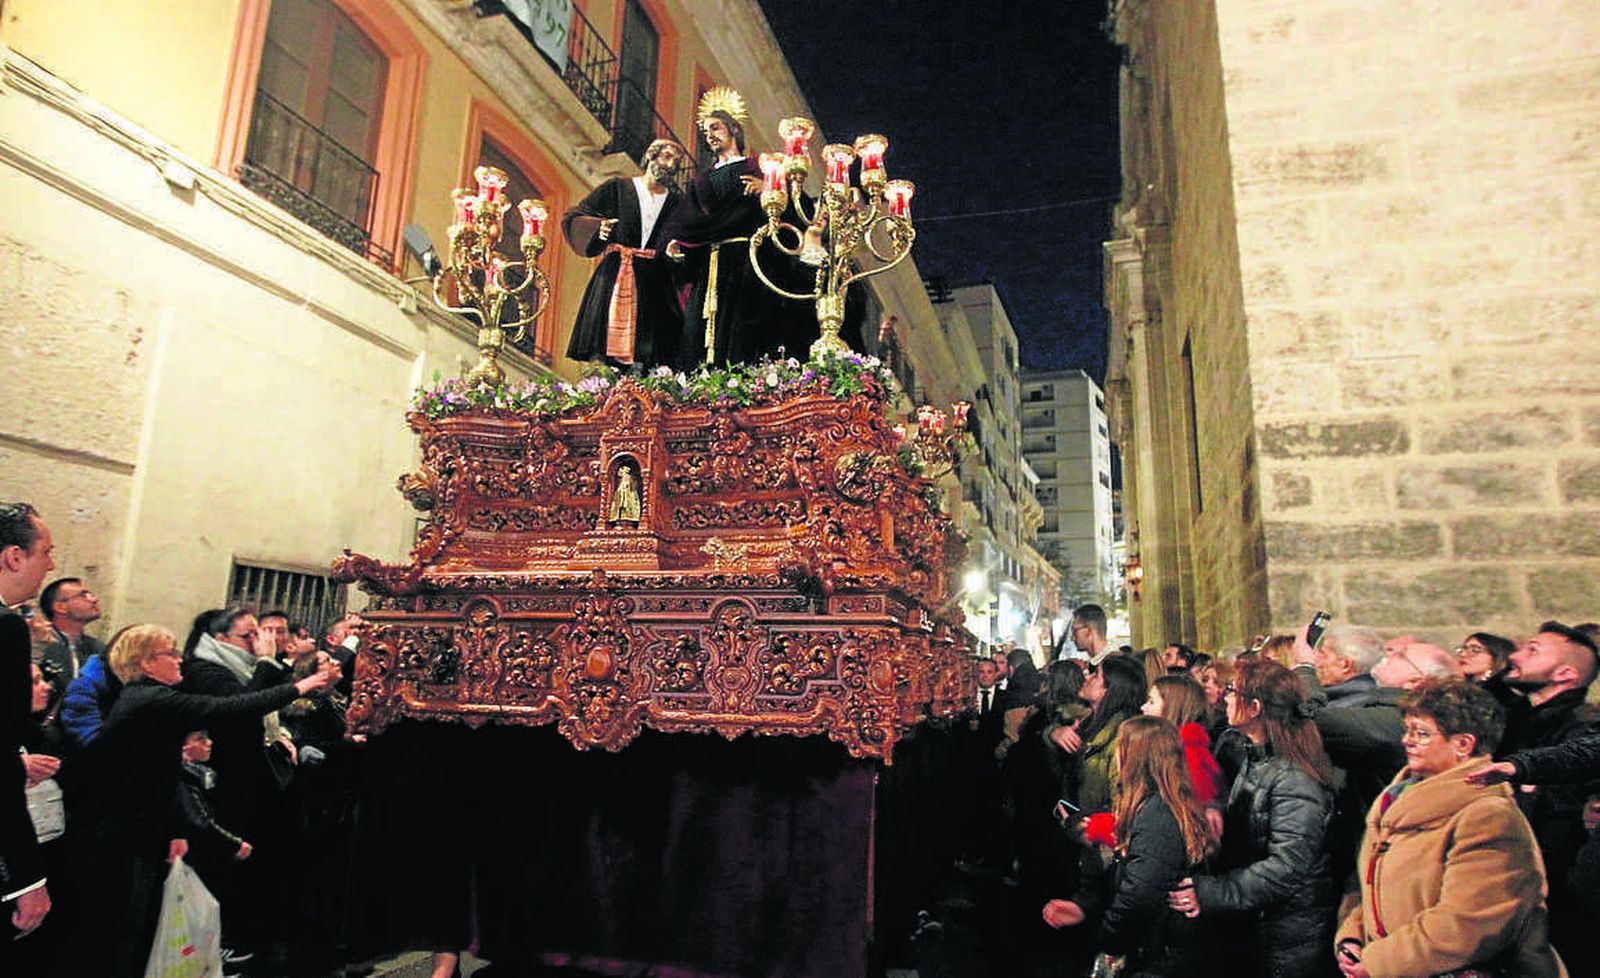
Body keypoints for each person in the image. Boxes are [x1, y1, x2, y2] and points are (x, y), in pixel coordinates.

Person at [62, 624, 337, 976]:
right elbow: (230, 708)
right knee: (115, 938)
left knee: (133, 934)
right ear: (145, 663)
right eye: (170, 653)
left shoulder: (150, 698)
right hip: (116, 836)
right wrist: (300, 684)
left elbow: (162, 776)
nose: (180, 660)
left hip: (136, 831)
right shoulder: (150, 699)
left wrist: (176, 830)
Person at [1334, 680, 1565, 977]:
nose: (1407, 740)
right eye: (1407, 730)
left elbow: (1469, 923)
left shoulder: (1487, 814)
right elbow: (1370, 886)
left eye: (1421, 733)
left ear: (1463, 745)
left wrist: (1381, 962)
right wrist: (1353, 937)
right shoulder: (1394, 801)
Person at [1168, 659, 1338, 978]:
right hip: (1261, 923)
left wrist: (1211, 892)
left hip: (1289, 936)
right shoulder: (1255, 757)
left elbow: (1285, 867)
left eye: (1232, 690)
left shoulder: (1294, 778)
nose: (1225, 697)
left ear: (1255, 706)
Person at [1043, 716, 1221, 977]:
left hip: (1159, 952)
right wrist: (1085, 908)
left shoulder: (1158, 814)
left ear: (1137, 757)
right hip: (1156, 945)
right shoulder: (1154, 805)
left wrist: (1109, 941)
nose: (1116, 756)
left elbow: (1139, 896)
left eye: (1121, 748)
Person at [664, 87, 815, 368]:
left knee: (742, 326)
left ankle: (741, 382)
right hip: (708, 263)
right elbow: (686, 223)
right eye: (706, 131)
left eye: (716, 127)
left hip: (748, 261)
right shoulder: (701, 181)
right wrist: (676, 246)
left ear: (733, 128)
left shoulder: (760, 166)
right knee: (699, 328)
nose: (709, 135)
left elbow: (798, 208)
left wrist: (769, 190)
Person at [563, 137, 688, 369]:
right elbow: (575, 216)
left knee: (650, 349)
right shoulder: (617, 188)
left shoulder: (677, 204)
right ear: (651, 155)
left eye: (676, 162)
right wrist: (597, 227)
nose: (671, 165)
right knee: (603, 346)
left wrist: (676, 252)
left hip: (654, 281)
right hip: (615, 272)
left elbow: (687, 238)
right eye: (667, 156)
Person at [0, 502, 54, 947]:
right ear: (14, 557)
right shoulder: (6, 628)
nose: (51, 565)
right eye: (46, 552)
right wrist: (26, 877)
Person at [1050, 655, 1146, 813]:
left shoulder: (1123, 735)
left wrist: (1088, 828)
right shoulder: (1086, 721)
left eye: (1096, 675)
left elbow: (1121, 802)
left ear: (1110, 689)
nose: (1087, 677)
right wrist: (1053, 734)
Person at [1143, 675, 1226, 837]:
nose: (1143, 707)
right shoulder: (1171, 747)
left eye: (1152, 702)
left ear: (1174, 707)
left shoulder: (1188, 751)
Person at [35, 576, 104, 704]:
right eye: (83, 595)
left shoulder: (98, 648)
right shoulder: (39, 645)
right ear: (61, 607)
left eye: (91, 594)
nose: (94, 600)